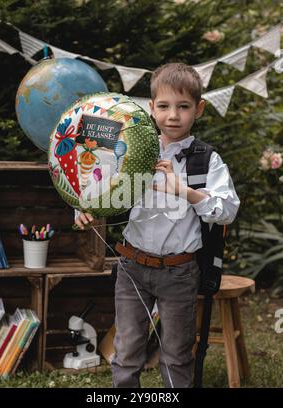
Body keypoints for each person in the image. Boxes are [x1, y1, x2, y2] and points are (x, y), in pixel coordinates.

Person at [75, 63, 240, 388]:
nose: (173, 115)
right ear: (151, 109)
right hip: (132, 267)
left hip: (180, 272)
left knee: (177, 352)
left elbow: (227, 210)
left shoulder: (207, 160)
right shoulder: (130, 149)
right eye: (164, 106)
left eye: (183, 106)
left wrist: (185, 191)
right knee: (127, 349)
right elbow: (96, 186)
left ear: (199, 109)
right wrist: (84, 209)